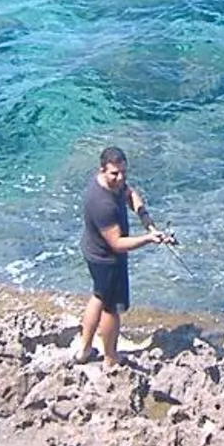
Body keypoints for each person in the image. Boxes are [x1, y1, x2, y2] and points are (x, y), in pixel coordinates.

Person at [74, 146, 174, 372]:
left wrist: (145, 218)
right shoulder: (102, 203)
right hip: (107, 260)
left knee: (98, 296)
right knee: (112, 309)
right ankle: (110, 357)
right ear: (102, 170)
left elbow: (130, 194)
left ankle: (85, 350)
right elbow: (117, 243)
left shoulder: (113, 184)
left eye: (123, 173)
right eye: (115, 174)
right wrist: (149, 238)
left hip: (93, 252)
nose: (120, 178)